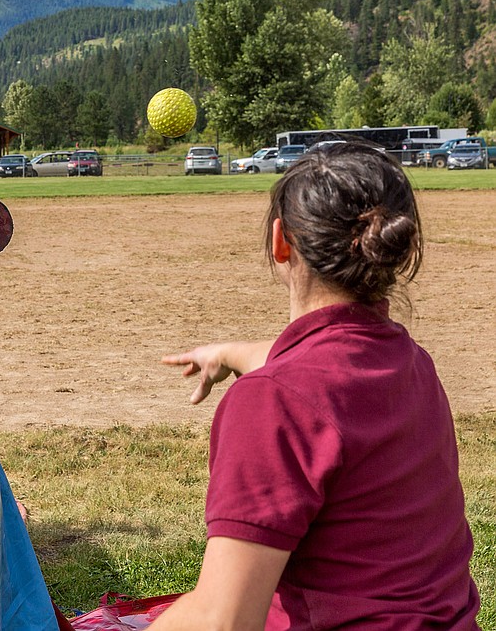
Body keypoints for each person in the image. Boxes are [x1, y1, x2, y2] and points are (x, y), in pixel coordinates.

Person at [151, 142, 480, 630]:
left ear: (280, 242)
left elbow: (224, 620)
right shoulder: (409, 363)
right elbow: (324, 379)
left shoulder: (274, 400)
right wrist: (227, 352)